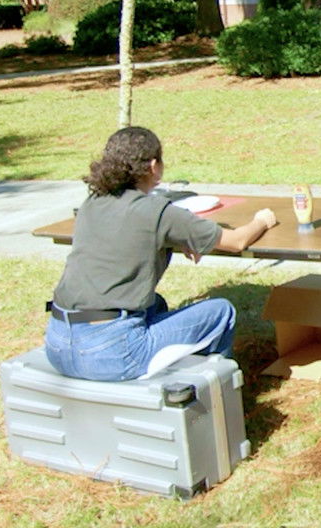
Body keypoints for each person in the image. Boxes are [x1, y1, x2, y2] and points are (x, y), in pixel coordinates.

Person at [44, 126, 278, 381]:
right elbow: (236, 241)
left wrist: (174, 240)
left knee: (156, 304)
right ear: (154, 166)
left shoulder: (92, 203)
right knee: (221, 311)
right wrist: (262, 221)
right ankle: (214, 394)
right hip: (110, 352)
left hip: (57, 344)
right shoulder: (156, 211)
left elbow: (126, 239)